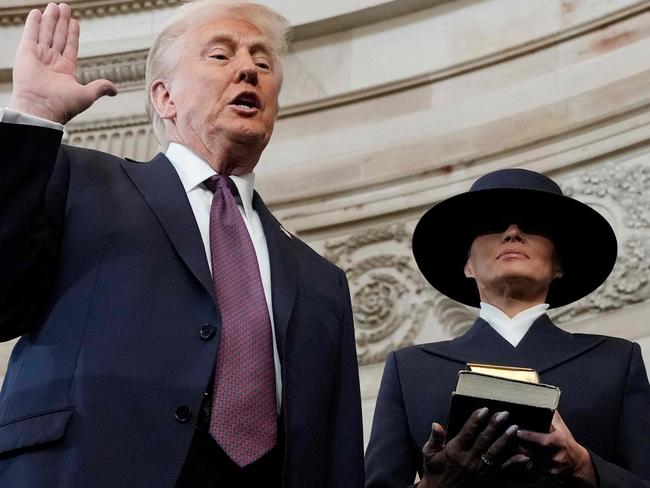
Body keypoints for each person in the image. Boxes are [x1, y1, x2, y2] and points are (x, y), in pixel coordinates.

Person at [0, 2, 364, 487]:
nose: (248, 70)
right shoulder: (79, 182)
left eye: (263, 62)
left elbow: (335, 456)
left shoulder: (322, 281)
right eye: (221, 55)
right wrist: (35, 113)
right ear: (164, 96)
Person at [364, 168, 650, 487]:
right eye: (492, 224)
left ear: (559, 265)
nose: (513, 232)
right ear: (467, 265)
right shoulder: (410, 369)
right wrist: (432, 485)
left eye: (534, 224)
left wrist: (584, 466)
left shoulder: (616, 361)